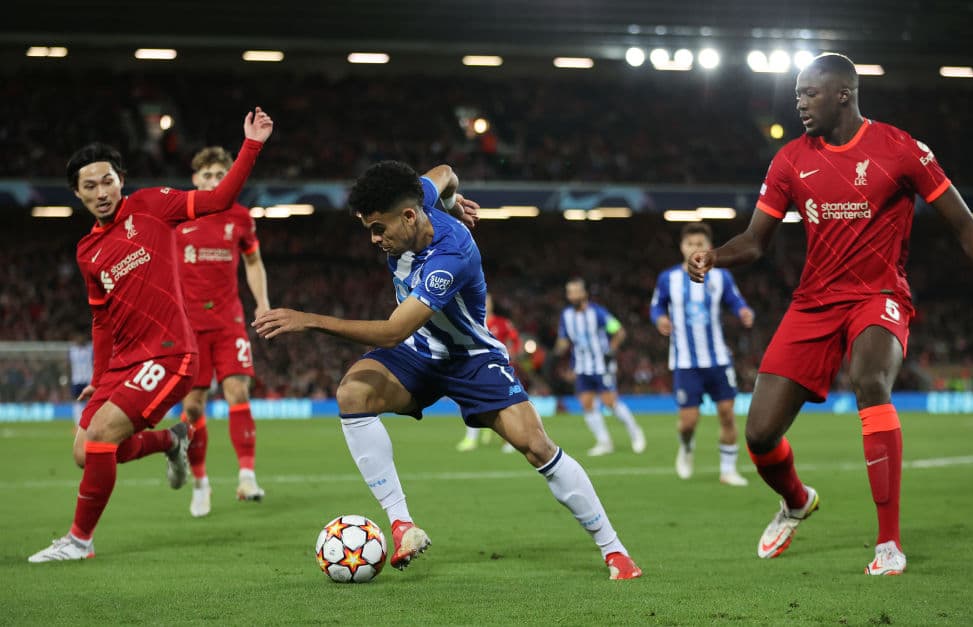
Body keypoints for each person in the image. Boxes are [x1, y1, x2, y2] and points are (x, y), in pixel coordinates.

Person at [687, 53, 973, 576]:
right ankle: (797, 501)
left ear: (842, 93)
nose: (799, 103)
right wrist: (716, 255)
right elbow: (755, 241)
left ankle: (888, 543)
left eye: (808, 93)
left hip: (878, 294)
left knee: (870, 380)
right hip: (814, 302)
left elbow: (962, 223)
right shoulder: (790, 160)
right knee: (759, 435)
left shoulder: (900, 149)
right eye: (797, 94)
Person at [252, 161, 642, 580]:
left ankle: (614, 550)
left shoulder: (450, 256)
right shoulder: (419, 196)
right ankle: (402, 525)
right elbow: (446, 172)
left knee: (536, 445)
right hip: (419, 352)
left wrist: (308, 319)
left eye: (379, 228)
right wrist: (454, 201)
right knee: (353, 393)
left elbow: (391, 331)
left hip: (470, 357)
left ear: (408, 217)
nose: (374, 239)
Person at [28, 107, 274, 562]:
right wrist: (100, 381)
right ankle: (171, 440)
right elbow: (101, 323)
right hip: (124, 362)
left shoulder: (151, 205)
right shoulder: (88, 252)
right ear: (77, 194)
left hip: (170, 354)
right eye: (89, 186)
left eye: (107, 181)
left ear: (121, 179)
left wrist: (251, 145)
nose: (101, 192)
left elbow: (219, 198)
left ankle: (80, 541)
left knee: (102, 435)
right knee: (86, 452)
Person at [177, 146, 271, 517]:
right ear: (195, 179)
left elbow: (254, 262)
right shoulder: (178, 216)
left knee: (237, 389)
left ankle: (247, 476)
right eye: (208, 176)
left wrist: (262, 302)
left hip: (229, 320)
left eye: (221, 175)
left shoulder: (240, 217)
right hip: (188, 326)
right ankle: (200, 484)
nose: (215, 181)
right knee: (193, 404)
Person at [651, 222, 754, 486]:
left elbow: (736, 300)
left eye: (700, 244)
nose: (695, 248)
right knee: (687, 423)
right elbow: (656, 307)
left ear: (708, 248)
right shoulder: (668, 279)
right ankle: (686, 448)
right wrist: (660, 319)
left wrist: (744, 312)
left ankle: (728, 470)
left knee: (727, 413)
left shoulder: (721, 277)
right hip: (686, 362)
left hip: (718, 359)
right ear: (682, 247)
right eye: (690, 244)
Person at [554, 278, 645, 457]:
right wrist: (555, 353)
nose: (571, 296)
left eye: (575, 291)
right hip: (581, 367)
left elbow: (619, 331)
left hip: (601, 365)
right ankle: (604, 442)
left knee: (609, 402)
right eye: (569, 292)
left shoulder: (598, 313)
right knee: (587, 404)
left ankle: (636, 433)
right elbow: (564, 339)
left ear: (584, 294)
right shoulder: (566, 316)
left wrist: (611, 350)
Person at [455, 293, 522, 452]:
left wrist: (510, 355)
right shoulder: (469, 320)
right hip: (476, 368)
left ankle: (508, 440)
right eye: (482, 299)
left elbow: (516, 340)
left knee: (505, 404)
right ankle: (471, 439)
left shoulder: (502, 323)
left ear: (492, 303)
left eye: (488, 300)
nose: (484, 303)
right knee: (468, 401)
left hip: (498, 369)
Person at [68, 333, 93, 425]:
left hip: (88, 380)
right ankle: (77, 423)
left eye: (81, 336)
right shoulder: (72, 350)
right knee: (76, 401)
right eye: (78, 337)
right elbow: (68, 366)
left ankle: (88, 422)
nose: (80, 339)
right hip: (76, 380)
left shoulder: (91, 349)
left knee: (90, 402)